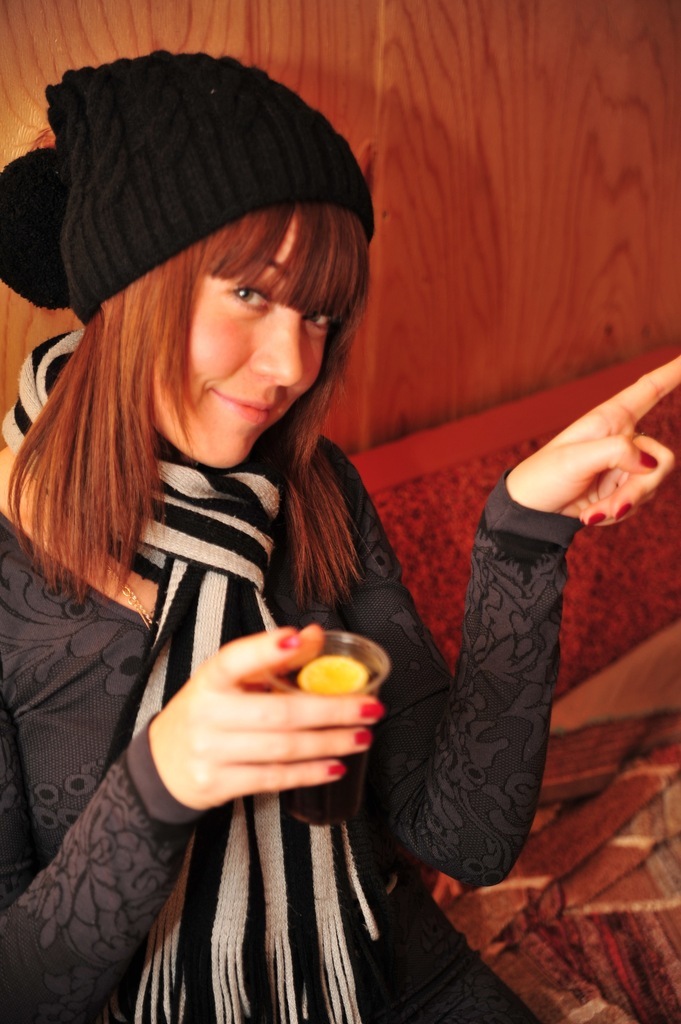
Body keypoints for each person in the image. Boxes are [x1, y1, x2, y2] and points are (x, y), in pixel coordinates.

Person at [0, 50, 677, 1024]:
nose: (291, 363)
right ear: (132, 284)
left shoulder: (315, 486)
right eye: (249, 293)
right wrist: (161, 779)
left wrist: (523, 535)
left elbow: (464, 839)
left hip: (383, 968)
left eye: (320, 314)